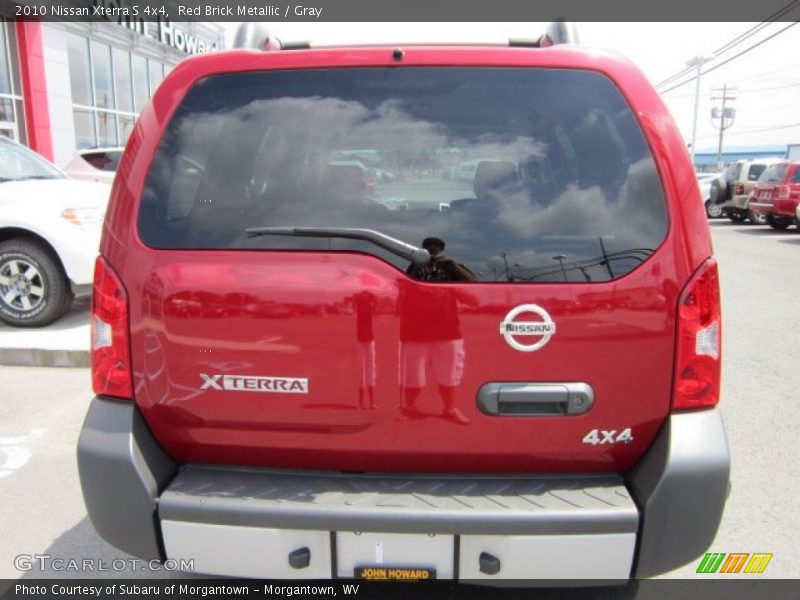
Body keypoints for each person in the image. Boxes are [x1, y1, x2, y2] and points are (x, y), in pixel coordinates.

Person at [406, 237, 479, 283]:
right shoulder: (415, 265)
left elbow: (474, 283)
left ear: (441, 250)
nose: (431, 254)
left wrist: (453, 265)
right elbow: (405, 283)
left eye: (434, 251)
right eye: (427, 248)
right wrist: (417, 266)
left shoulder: (449, 264)